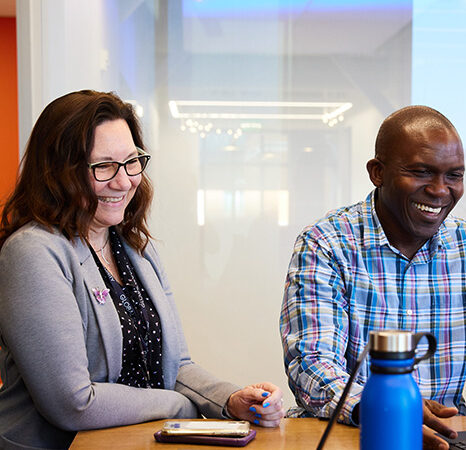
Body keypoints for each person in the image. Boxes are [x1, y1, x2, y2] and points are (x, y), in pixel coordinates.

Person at [0, 90, 284, 449]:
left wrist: (230, 400)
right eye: (103, 166)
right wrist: (177, 406)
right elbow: (73, 403)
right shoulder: (33, 252)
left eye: (132, 161)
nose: (123, 181)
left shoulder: (135, 247)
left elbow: (175, 365)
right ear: (58, 172)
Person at [280, 105, 466, 449]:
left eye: (454, 176)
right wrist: (385, 412)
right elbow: (312, 366)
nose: (439, 190)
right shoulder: (327, 243)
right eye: (421, 172)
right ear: (377, 172)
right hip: (354, 434)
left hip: (445, 440)